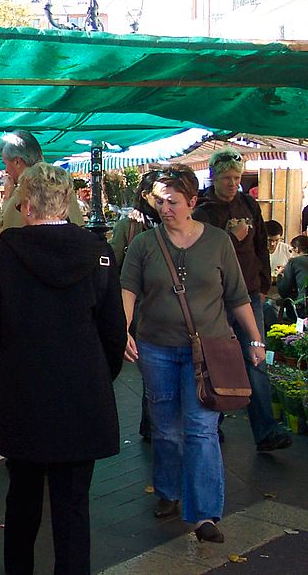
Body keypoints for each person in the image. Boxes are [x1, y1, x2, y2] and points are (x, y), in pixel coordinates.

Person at [0, 162, 126, 575]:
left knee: (22, 496)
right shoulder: (99, 253)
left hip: (24, 390)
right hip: (83, 392)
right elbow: (114, 331)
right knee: (73, 504)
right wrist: (95, 372)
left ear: (25, 205)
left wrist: (21, 351)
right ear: (68, 202)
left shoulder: (5, 253)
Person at [121, 164, 265, 544]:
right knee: (166, 428)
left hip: (210, 351)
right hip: (157, 348)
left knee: (202, 430)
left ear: (192, 201)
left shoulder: (218, 241)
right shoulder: (143, 244)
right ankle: (168, 490)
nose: (164, 209)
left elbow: (237, 295)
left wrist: (255, 339)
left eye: (172, 202)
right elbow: (128, 289)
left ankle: (204, 514)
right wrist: (123, 328)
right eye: (159, 202)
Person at [192, 149, 291, 453]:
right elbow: (201, 255)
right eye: (227, 179)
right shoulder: (203, 212)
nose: (233, 183)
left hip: (248, 294)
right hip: (216, 297)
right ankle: (213, 423)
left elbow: (261, 244)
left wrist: (262, 283)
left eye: (236, 178)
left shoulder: (248, 203)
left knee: (255, 358)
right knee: (217, 360)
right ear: (214, 177)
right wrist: (229, 235)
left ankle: (265, 431)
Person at [109, 169, 162, 441]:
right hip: (140, 306)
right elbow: (114, 268)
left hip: (168, 308)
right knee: (150, 365)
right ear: (145, 196)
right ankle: (151, 424)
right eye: (159, 196)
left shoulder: (176, 225)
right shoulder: (128, 226)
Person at [0, 129, 85, 239]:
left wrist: (7, 198)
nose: (6, 170)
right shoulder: (62, 186)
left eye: (5, 164)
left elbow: (1, 235)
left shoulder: (22, 194)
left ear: (17, 161)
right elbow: (79, 227)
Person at [277, 234, 308, 313]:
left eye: (291, 251)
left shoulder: (294, 261)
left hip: (304, 307)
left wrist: (279, 275)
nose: (290, 255)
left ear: (296, 249)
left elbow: (284, 291)